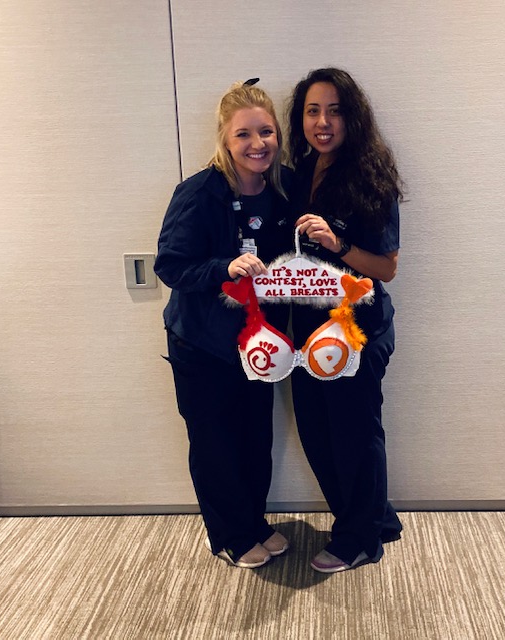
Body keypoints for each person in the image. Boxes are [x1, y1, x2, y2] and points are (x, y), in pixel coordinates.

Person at [155, 80, 292, 569]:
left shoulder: (283, 189)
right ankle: (231, 536)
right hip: (202, 345)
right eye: (244, 135)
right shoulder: (199, 192)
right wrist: (223, 268)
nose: (258, 144)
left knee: (256, 439)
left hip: (255, 344)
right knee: (214, 442)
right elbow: (169, 266)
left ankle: (253, 522)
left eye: (267, 132)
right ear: (225, 140)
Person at [287, 68, 404, 573]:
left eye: (334, 110)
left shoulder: (369, 174)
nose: (323, 121)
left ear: (352, 116)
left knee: (355, 434)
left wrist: (339, 245)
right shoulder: (300, 171)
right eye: (313, 110)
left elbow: (388, 268)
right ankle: (377, 519)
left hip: (357, 330)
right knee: (316, 431)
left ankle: (359, 540)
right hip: (309, 330)